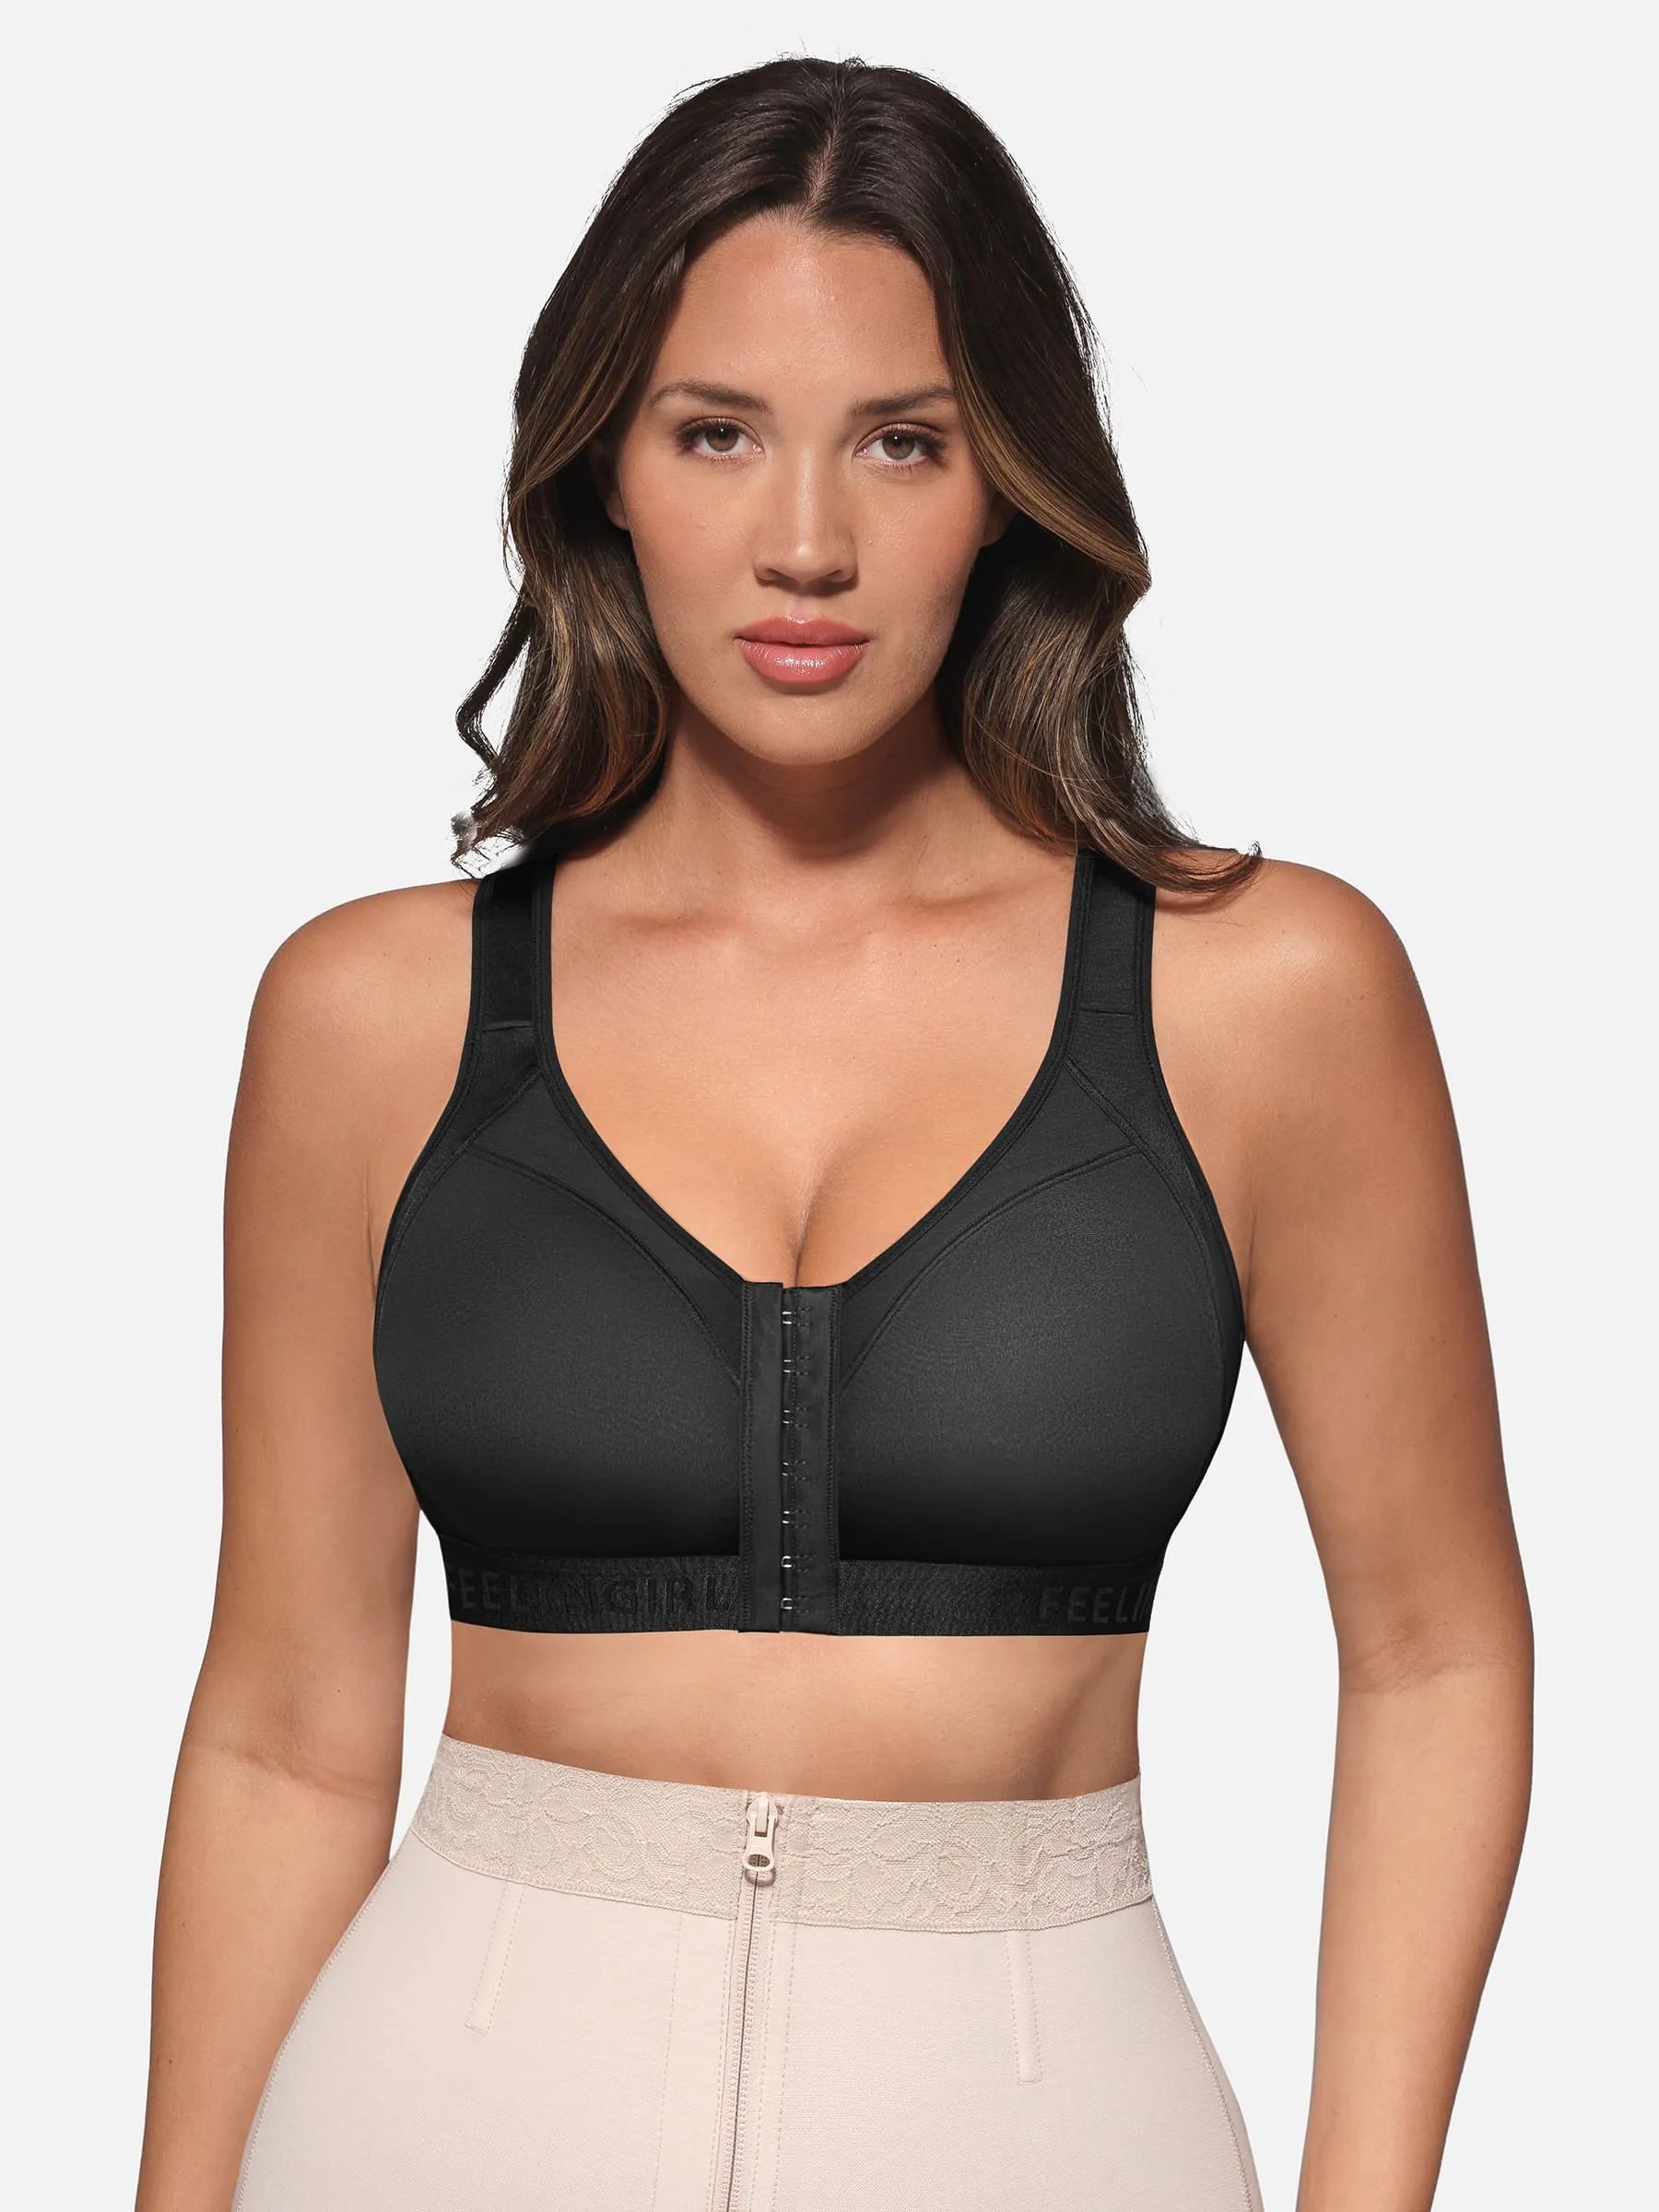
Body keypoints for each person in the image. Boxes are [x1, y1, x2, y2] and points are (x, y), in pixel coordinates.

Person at [135, 54, 1534, 2212]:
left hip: (1050, 2125)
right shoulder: (372, 1017)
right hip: (435, 2116)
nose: (807, 541)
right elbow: (287, 1734)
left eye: (904, 441)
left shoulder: (1266, 996)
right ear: (607, 471)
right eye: (717, 432)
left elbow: (1438, 1655)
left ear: (1011, 484)